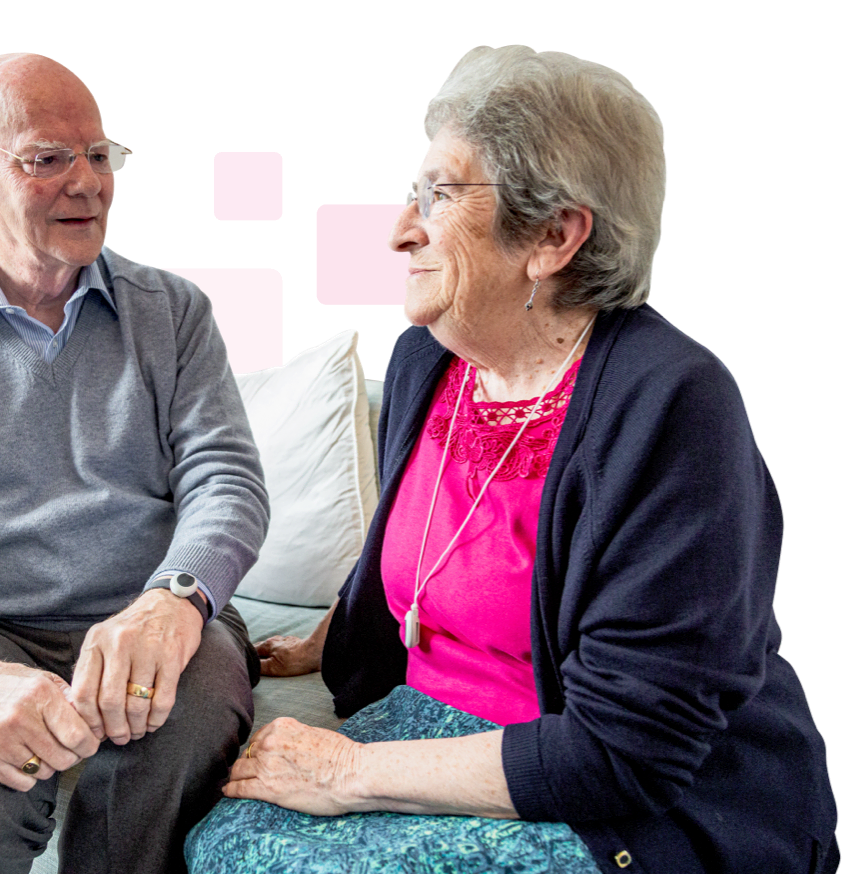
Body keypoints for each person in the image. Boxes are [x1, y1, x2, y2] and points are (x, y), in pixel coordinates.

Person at [185, 46, 840, 874]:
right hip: (436, 722)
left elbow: (629, 752)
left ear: (554, 236)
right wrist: (337, 631)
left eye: (441, 194)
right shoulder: (431, 359)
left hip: (602, 790)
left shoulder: (673, 405)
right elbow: (430, 544)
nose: (399, 229)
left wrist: (348, 771)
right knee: (227, 841)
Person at [0, 53, 269, 873]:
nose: (88, 183)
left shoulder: (173, 313)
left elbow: (227, 481)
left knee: (173, 744)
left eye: (100, 155)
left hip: (159, 610)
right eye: (49, 158)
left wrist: (174, 603)